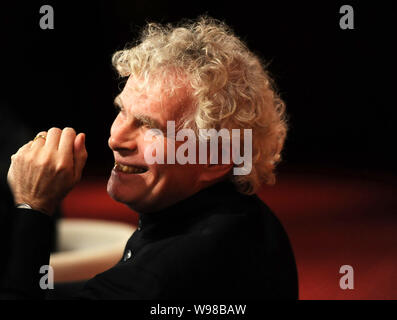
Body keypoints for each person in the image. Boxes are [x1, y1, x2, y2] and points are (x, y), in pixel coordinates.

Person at [1, 17, 298, 299]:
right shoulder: (247, 219)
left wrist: (31, 205)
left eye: (150, 126)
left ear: (216, 157)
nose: (115, 139)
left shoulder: (161, 276)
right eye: (122, 111)